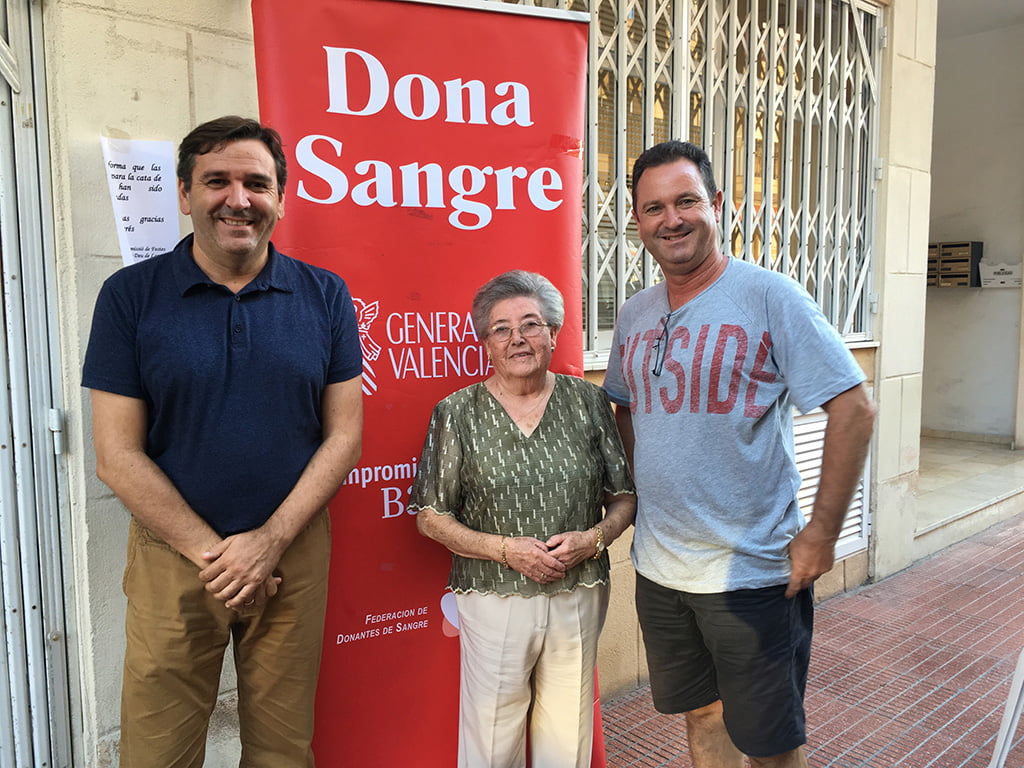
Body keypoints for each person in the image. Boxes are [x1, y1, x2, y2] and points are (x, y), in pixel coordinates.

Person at [83, 115, 363, 767]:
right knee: (157, 751)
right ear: (185, 194)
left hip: (290, 553)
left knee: (283, 749)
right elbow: (115, 456)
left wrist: (267, 543)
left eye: (256, 183)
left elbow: (344, 436)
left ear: (281, 198)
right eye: (217, 181)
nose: (238, 198)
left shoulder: (324, 295)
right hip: (173, 557)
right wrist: (218, 556)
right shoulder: (130, 297)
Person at [603, 141, 876, 768]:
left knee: (770, 744)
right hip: (661, 570)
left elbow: (853, 407)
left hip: (750, 574)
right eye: (652, 208)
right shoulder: (636, 313)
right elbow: (625, 405)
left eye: (686, 201)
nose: (670, 219)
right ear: (637, 221)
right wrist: (640, 497)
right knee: (701, 716)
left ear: (717, 204)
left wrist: (822, 533)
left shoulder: (769, 296)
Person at [411, 270, 636, 768]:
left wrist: (594, 539)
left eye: (532, 324)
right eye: (502, 328)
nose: (518, 339)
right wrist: (504, 549)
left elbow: (624, 497)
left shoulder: (589, 402)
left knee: (568, 732)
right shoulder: (457, 412)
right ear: (485, 343)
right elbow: (430, 515)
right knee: (492, 736)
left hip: (578, 590)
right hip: (492, 595)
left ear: (554, 333)